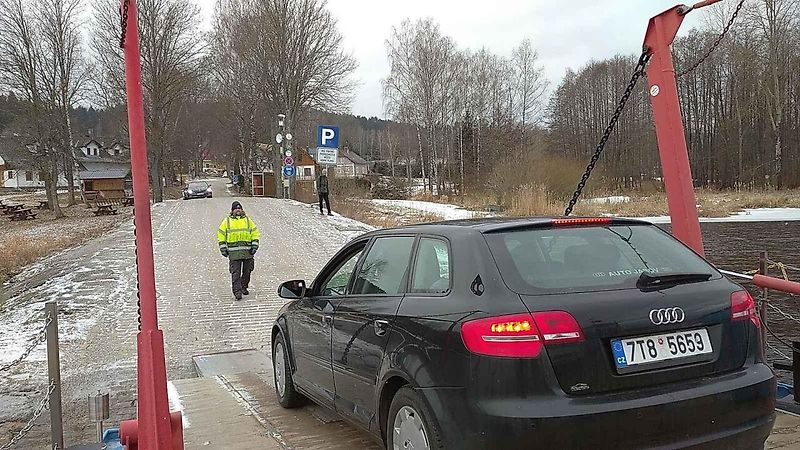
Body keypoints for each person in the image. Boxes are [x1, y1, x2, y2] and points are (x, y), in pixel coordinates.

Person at [217, 201, 260, 300]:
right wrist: (223, 248)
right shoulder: (227, 222)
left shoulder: (248, 221)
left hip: (247, 252)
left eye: (239, 208)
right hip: (234, 253)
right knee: (235, 273)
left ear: (242, 210)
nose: (238, 210)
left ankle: (244, 287)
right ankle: (237, 292)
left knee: (247, 272)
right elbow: (221, 235)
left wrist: (254, 246)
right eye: (236, 209)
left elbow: (255, 234)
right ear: (232, 211)